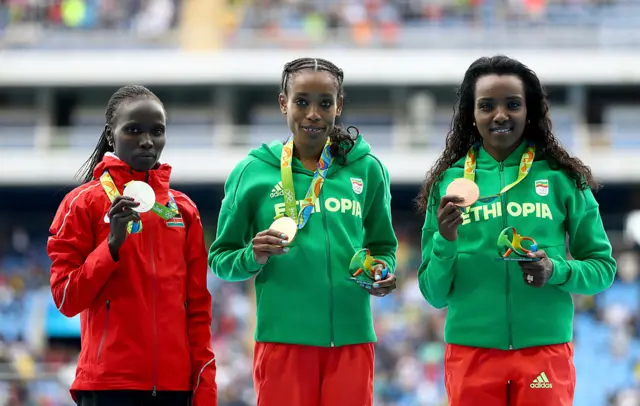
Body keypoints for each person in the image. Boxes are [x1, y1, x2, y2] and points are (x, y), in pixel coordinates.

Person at [415, 55, 616, 406]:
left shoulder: (562, 179)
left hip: (544, 350)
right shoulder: (448, 184)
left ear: (530, 110)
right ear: (471, 114)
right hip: (470, 351)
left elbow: (602, 269)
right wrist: (445, 241)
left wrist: (556, 270)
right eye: (486, 105)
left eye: (512, 104)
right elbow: (433, 293)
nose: (500, 114)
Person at [208, 57, 398, 406]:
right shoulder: (253, 172)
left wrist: (383, 273)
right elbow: (221, 259)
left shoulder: (367, 169)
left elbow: (383, 246)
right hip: (283, 342)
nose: (313, 113)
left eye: (325, 103)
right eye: (302, 101)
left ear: (338, 106)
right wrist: (252, 255)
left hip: (352, 342)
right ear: (284, 103)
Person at [47, 85, 217, 406]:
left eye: (157, 131)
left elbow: (198, 311)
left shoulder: (184, 211)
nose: (147, 140)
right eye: (133, 130)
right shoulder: (83, 204)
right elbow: (66, 299)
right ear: (111, 136)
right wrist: (111, 247)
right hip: (109, 387)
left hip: (175, 388)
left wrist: (204, 390)